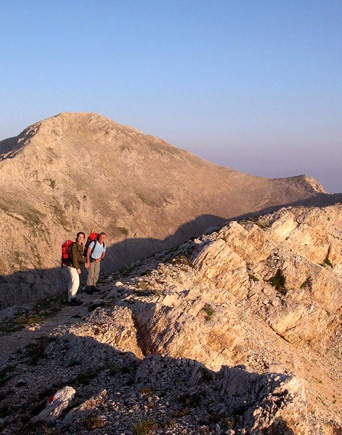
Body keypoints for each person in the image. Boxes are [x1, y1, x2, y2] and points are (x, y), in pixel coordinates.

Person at [67, 232, 87, 306]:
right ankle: (73, 299)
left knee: (71, 282)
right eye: (79, 236)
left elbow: (79, 257)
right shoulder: (74, 245)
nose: (80, 238)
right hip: (72, 266)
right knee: (76, 282)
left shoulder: (79, 245)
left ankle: (70, 299)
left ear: (83, 238)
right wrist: (78, 268)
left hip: (72, 265)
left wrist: (85, 262)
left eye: (82, 237)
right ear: (77, 237)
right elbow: (74, 258)